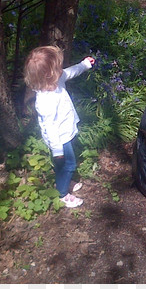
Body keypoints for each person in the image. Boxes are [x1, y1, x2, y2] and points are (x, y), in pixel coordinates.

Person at [23, 46, 95, 208]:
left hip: (66, 131)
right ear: (49, 74)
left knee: (63, 165)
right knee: (69, 164)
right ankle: (62, 193)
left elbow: (70, 72)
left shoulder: (56, 81)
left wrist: (84, 65)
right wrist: (57, 151)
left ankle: (64, 180)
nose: (60, 70)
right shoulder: (45, 101)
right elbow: (50, 128)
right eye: (57, 67)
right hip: (59, 139)